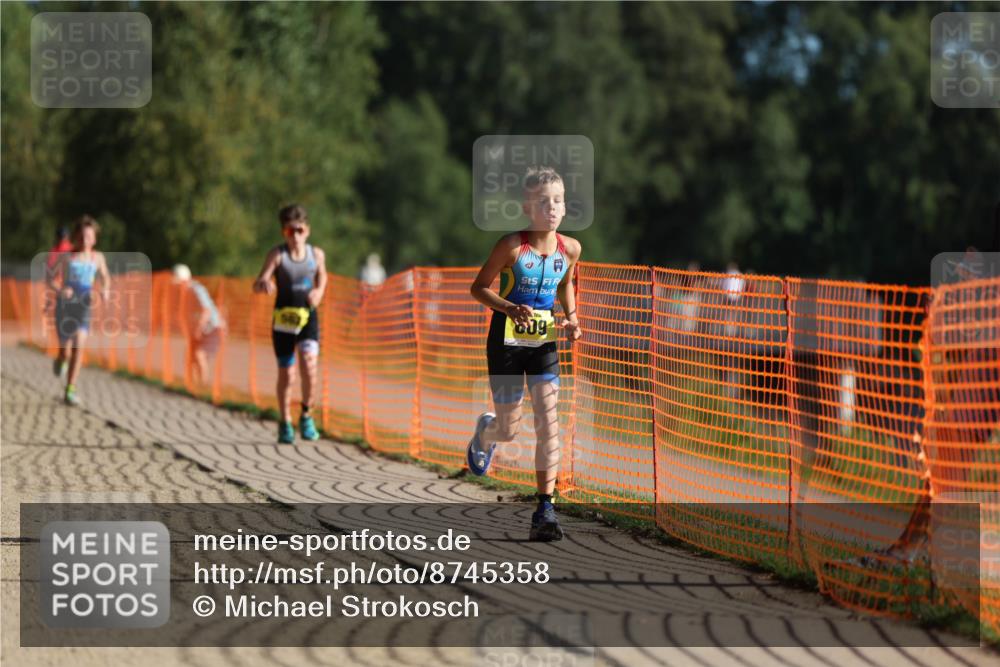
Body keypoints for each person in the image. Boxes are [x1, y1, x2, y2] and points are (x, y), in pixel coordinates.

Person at [467, 167, 582, 542]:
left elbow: (565, 284)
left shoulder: (571, 249)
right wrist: (508, 308)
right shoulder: (512, 246)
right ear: (528, 208)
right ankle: (487, 433)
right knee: (509, 428)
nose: (552, 208)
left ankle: (545, 509)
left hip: (544, 344)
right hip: (506, 342)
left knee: (549, 423)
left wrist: (572, 319)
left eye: (558, 200)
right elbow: (478, 288)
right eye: (543, 201)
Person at [253, 204, 328, 444]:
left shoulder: (316, 255)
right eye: (289, 231)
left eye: (299, 230)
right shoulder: (278, 255)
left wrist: (319, 291)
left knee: (309, 365)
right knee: (287, 374)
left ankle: (306, 415)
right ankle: (285, 421)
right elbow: (260, 280)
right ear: (283, 232)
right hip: (283, 320)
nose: (295, 236)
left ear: (307, 230)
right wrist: (265, 283)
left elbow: (322, 276)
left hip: (307, 318)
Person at [47, 215, 110, 406]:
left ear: (94, 239)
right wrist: (60, 290)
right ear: (75, 237)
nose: (85, 240)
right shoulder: (66, 257)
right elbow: (50, 279)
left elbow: (105, 277)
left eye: (89, 237)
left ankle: (70, 390)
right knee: (66, 351)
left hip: (83, 306)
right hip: (65, 306)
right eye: (82, 237)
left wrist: (105, 289)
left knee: (79, 346)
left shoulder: (98, 258)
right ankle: (60, 359)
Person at [173, 264, 226, 388]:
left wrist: (198, 328)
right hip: (201, 328)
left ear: (184, 280)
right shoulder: (185, 292)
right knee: (191, 356)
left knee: (199, 354)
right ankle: (193, 384)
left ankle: (203, 385)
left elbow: (206, 310)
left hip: (213, 328)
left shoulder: (196, 290)